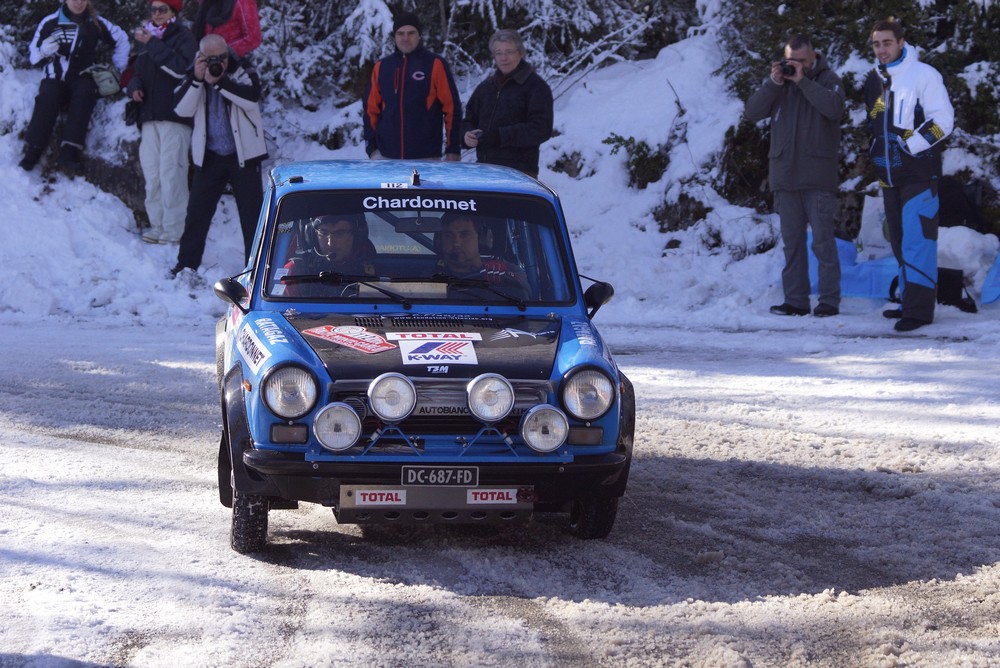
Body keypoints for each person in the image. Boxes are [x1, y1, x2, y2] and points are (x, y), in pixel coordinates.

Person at [745, 34, 844, 318]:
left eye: (801, 61)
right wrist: (774, 82)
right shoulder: (780, 86)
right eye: (791, 61)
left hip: (818, 177)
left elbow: (834, 109)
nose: (795, 66)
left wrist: (803, 81)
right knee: (792, 244)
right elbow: (752, 111)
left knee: (823, 242)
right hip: (785, 178)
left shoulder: (828, 80)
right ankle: (796, 300)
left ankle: (828, 301)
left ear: (812, 57)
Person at [864, 19, 954, 332]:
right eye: (876, 44)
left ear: (901, 42)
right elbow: (874, 125)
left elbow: (944, 120)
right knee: (900, 243)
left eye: (887, 43)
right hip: (889, 176)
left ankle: (919, 312)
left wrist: (911, 146)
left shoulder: (924, 75)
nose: (882, 49)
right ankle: (908, 301)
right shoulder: (874, 79)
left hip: (919, 173)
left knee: (919, 242)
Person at [170, 34, 267, 276]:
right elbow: (181, 109)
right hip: (210, 155)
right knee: (197, 214)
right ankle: (186, 266)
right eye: (211, 58)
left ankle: (255, 270)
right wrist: (196, 79)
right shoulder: (195, 73)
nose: (219, 62)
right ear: (200, 57)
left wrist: (220, 81)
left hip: (243, 154)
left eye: (222, 57)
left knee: (252, 217)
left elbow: (252, 98)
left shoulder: (242, 69)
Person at [20, 0, 129, 173]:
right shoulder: (50, 22)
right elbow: (34, 56)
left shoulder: (96, 22)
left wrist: (118, 69)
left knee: (85, 93)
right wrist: (44, 51)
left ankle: (69, 151)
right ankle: (34, 149)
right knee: (48, 96)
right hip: (54, 76)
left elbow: (121, 39)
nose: (78, 2)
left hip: (82, 76)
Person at [127, 0, 197, 245]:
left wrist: (152, 44)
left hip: (175, 115)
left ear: (173, 12)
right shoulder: (148, 38)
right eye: (154, 9)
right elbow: (138, 72)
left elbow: (181, 68)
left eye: (162, 9)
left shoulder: (183, 35)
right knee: (153, 174)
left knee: (172, 173)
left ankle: (175, 229)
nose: (156, 14)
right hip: (148, 116)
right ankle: (157, 225)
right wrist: (134, 87)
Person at [362, 11, 462, 161]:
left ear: (419, 35)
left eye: (411, 33)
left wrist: (453, 149)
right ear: (394, 37)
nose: (405, 38)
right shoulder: (382, 67)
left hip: (426, 156)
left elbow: (452, 108)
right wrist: (372, 148)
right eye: (400, 33)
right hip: (386, 157)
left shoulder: (435, 64)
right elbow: (370, 110)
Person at [462, 29, 553, 178]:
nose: (504, 58)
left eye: (509, 52)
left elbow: (541, 129)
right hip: (484, 170)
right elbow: (469, 119)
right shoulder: (486, 87)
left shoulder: (536, 86)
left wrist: (500, 136)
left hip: (520, 173)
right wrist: (466, 136)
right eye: (499, 53)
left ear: (520, 53)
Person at [436, 213, 529, 299]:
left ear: (480, 238)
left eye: (464, 235)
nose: (456, 243)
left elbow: (525, 297)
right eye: (448, 235)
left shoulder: (506, 271)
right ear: (440, 241)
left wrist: (504, 280)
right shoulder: (429, 277)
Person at [283, 216, 376, 296]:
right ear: (312, 235)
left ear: (356, 235)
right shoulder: (295, 272)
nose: (330, 243)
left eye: (339, 233)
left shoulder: (377, 271)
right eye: (323, 233)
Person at [193, 0, 261, 58]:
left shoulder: (243, 2)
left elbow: (253, 37)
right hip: (207, 63)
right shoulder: (208, 3)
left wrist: (222, 52)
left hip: (233, 64)